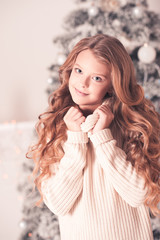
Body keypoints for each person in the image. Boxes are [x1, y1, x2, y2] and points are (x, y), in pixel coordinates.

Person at [28, 34, 160, 240]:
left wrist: (102, 137)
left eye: (97, 78)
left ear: (113, 85)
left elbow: (138, 195)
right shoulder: (57, 127)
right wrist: (76, 139)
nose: (82, 83)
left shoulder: (131, 126)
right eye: (79, 71)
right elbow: (58, 204)